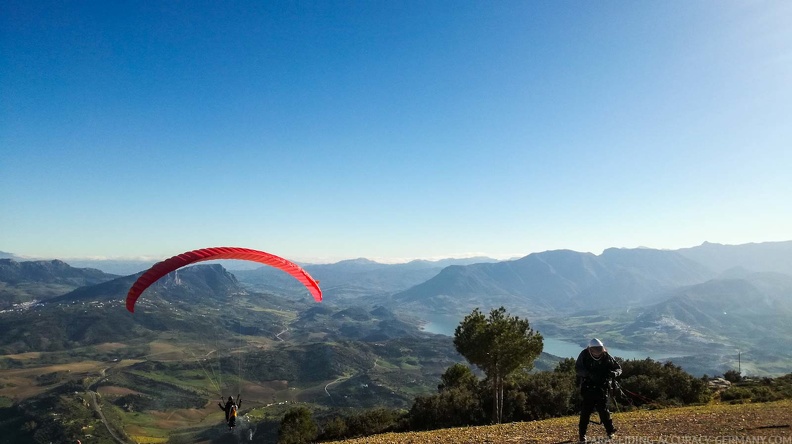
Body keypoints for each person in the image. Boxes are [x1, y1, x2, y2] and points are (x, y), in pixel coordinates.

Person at [575, 338, 621, 442]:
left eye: (599, 349)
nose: (597, 352)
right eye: (595, 350)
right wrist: (588, 374)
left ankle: (610, 432)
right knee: (585, 412)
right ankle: (582, 435)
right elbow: (578, 368)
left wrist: (614, 373)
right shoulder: (584, 355)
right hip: (588, 388)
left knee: (604, 411)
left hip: (602, 388)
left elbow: (618, 368)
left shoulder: (606, 356)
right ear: (590, 349)